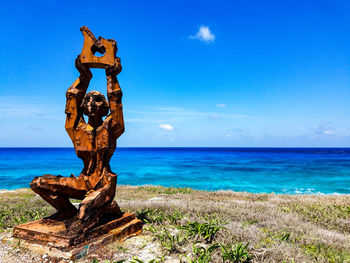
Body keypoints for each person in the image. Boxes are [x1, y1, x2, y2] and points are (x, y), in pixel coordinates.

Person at [30, 55, 124, 233]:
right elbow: (71, 99)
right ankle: (67, 211)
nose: (91, 103)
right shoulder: (77, 130)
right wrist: (84, 75)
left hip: (104, 183)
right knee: (39, 183)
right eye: (87, 100)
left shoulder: (111, 128)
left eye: (97, 100)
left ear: (105, 107)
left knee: (83, 212)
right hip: (83, 181)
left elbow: (116, 101)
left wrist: (112, 76)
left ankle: (105, 206)